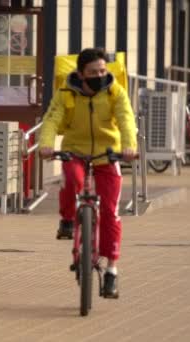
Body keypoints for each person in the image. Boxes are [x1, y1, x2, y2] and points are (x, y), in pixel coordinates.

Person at [39, 48, 137, 299]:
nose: (99, 75)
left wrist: (129, 147)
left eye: (103, 70)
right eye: (93, 72)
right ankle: (68, 219)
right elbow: (51, 119)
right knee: (72, 179)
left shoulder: (116, 92)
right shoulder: (66, 93)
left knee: (110, 213)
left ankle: (112, 270)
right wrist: (46, 145)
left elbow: (126, 120)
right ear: (81, 74)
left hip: (108, 154)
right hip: (76, 151)